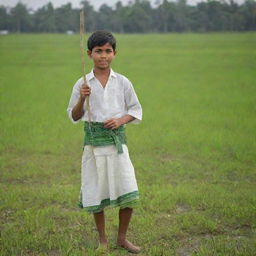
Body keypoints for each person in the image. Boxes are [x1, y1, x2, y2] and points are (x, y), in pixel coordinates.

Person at [67, 30, 142, 254]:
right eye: (98, 51)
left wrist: (120, 120)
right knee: (96, 191)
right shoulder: (82, 83)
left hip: (118, 146)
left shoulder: (123, 82)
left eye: (108, 51)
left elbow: (136, 110)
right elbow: (74, 115)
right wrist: (82, 97)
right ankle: (102, 241)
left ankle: (122, 238)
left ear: (114, 53)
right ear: (89, 54)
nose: (103, 56)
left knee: (127, 188)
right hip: (93, 147)